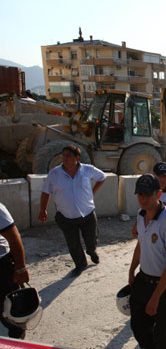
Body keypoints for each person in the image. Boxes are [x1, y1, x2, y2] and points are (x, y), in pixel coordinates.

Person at [128, 174, 166, 349]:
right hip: (143, 280)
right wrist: (131, 270)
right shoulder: (141, 215)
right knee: (138, 326)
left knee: (163, 333)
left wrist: (156, 297)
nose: (143, 199)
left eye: (147, 194)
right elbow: (141, 244)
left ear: (158, 194)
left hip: (164, 286)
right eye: (140, 194)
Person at [38, 145, 106, 277]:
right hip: (65, 216)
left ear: (77, 158)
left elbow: (102, 177)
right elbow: (46, 192)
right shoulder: (54, 173)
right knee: (73, 243)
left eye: (68, 155)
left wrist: (93, 192)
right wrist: (43, 210)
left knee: (91, 239)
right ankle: (80, 264)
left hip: (87, 213)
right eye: (64, 155)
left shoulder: (87, 169)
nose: (65, 158)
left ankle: (91, 251)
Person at [0, 203, 30, 339]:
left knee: (10, 307)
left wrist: (20, 268)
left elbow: (13, 238)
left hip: (2, 267)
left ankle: (16, 334)